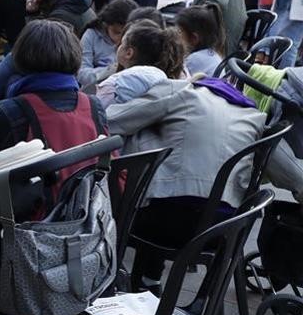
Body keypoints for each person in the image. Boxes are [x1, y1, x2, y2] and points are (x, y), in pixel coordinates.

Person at [103, 22, 264, 287]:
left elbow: (110, 120)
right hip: (223, 230)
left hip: (166, 222)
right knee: (168, 147)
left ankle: (126, 281)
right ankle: (149, 279)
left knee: (144, 140)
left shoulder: (180, 90)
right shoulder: (254, 116)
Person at [0, 20, 108, 158]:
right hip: (87, 179)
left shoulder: (8, 110)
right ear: (75, 54)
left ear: (20, 54)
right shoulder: (94, 105)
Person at [77, 0, 138, 90]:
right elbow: (81, 73)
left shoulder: (136, 38)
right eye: (116, 32)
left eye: (126, 34)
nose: (121, 39)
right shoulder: (91, 35)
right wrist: (110, 71)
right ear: (105, 24)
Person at [176, 4, 226, 76]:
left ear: (194, 38)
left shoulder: (193, 60)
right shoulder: (213, 54)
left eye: (180, 31)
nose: (177, 35)